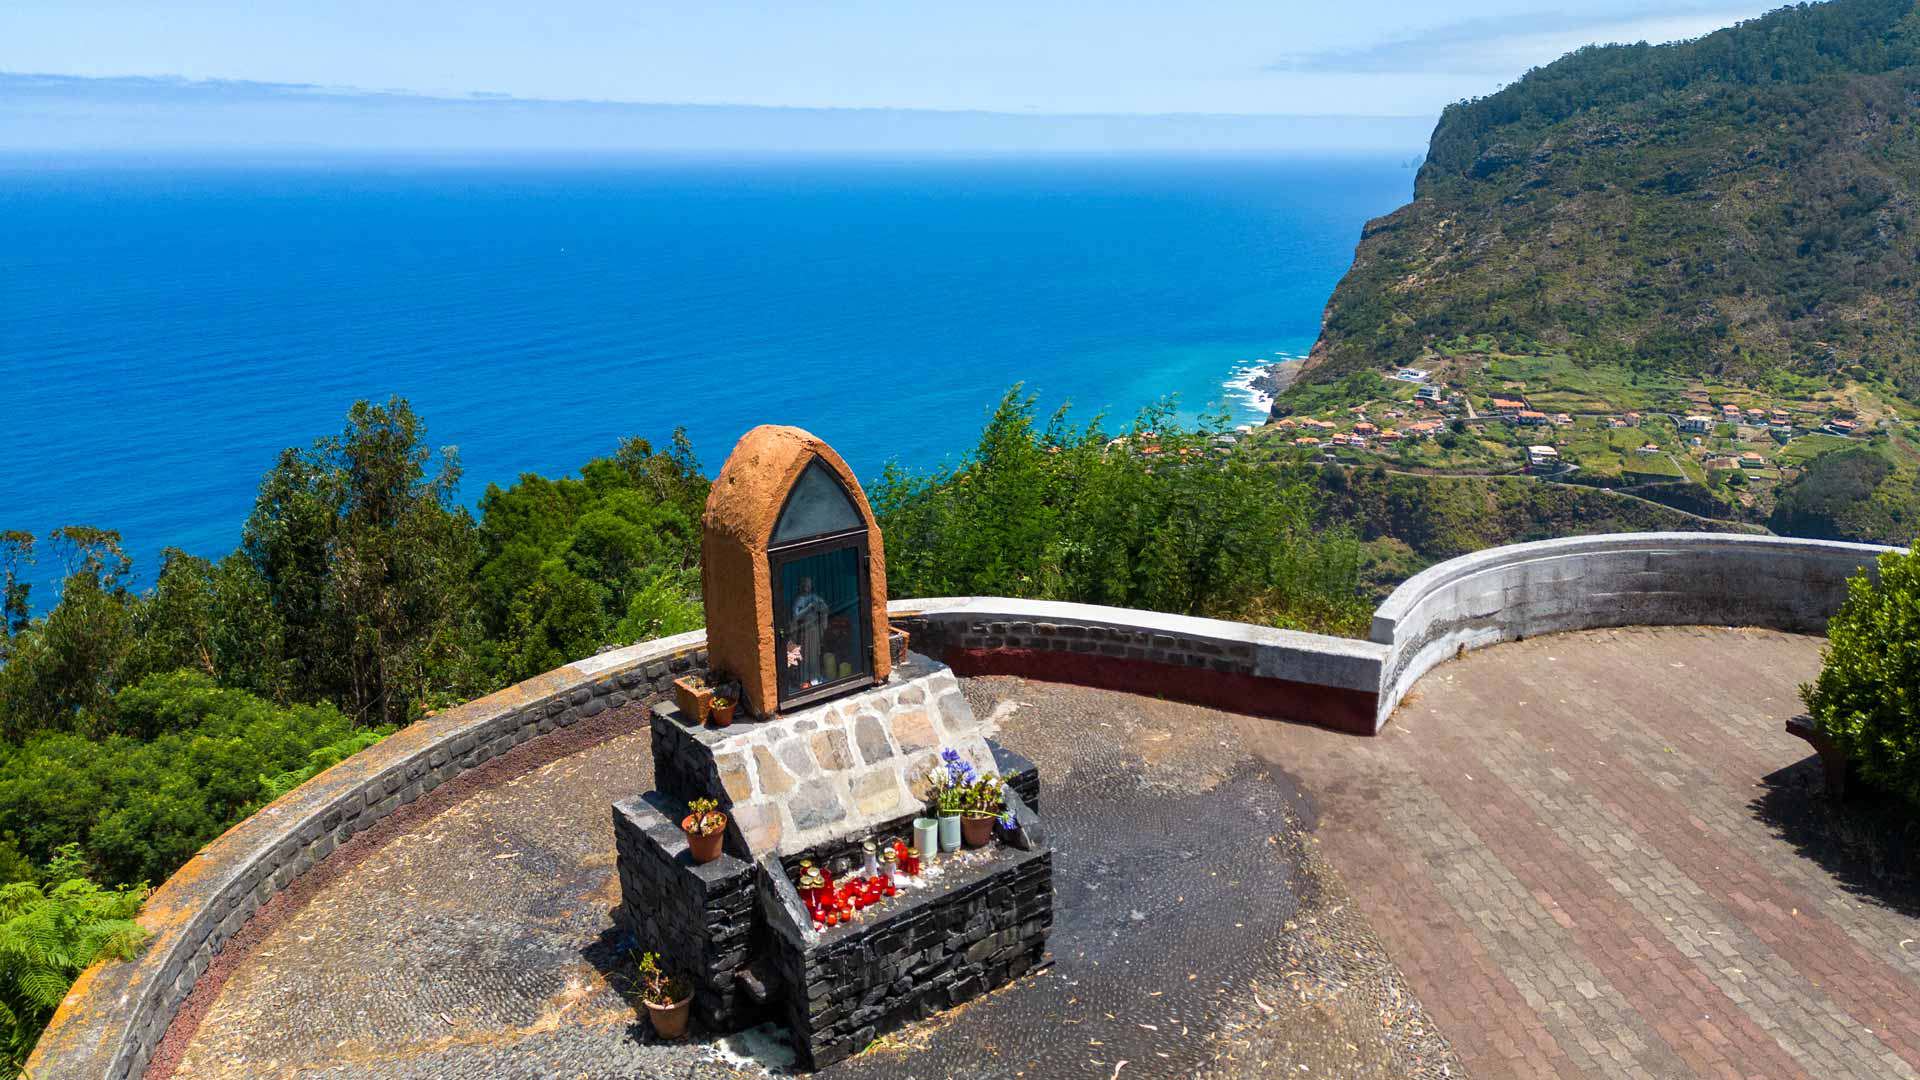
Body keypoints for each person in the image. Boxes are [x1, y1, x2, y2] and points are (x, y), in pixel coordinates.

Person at [790, 576, 831, 688]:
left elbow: (825, 608)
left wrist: (821, 607)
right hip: (804, 631)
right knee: (805, 654)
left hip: (814, 630)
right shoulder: (799, 599)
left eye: (809, 584)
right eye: (805, 584)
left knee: (814, 654)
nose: (807, 586)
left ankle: (814, 677)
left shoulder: (814, 597)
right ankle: (804, 678)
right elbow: (796, 616)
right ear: (801, 586)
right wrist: (808, 607)